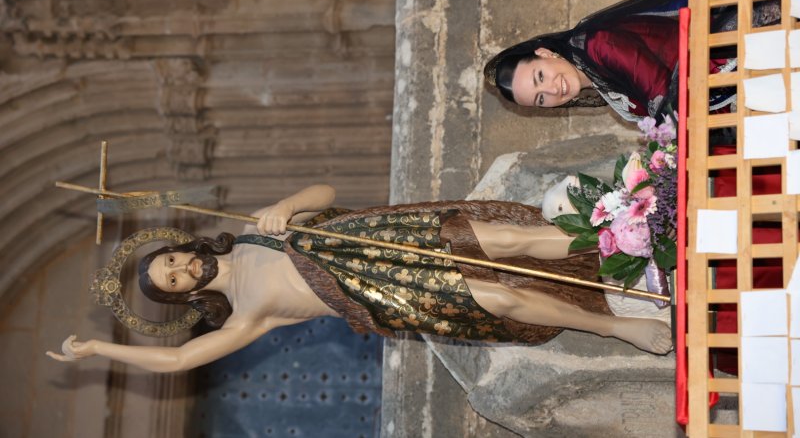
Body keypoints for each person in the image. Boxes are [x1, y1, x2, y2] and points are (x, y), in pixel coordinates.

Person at [48, 184, 673, 372]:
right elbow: (182, 364)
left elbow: (329, 190)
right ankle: (620, 328)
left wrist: (288, 205)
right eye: (177, 281)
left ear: (185, 248)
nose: (183, 270)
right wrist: (101, 347)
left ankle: (626, 232)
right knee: (502, 295)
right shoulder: (246, 314)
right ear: (187, 297)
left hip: (386, 238)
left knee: (506, 238)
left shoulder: (251, 226)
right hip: (389, 294)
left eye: (175, 260)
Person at [485, 0, 783, 122]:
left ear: (545, 53)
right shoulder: (597, 78)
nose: (552, 89)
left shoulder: (596, 45)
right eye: (540, 99)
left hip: (735, 53)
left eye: (540, 76)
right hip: (724, 89)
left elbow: (664, 96)